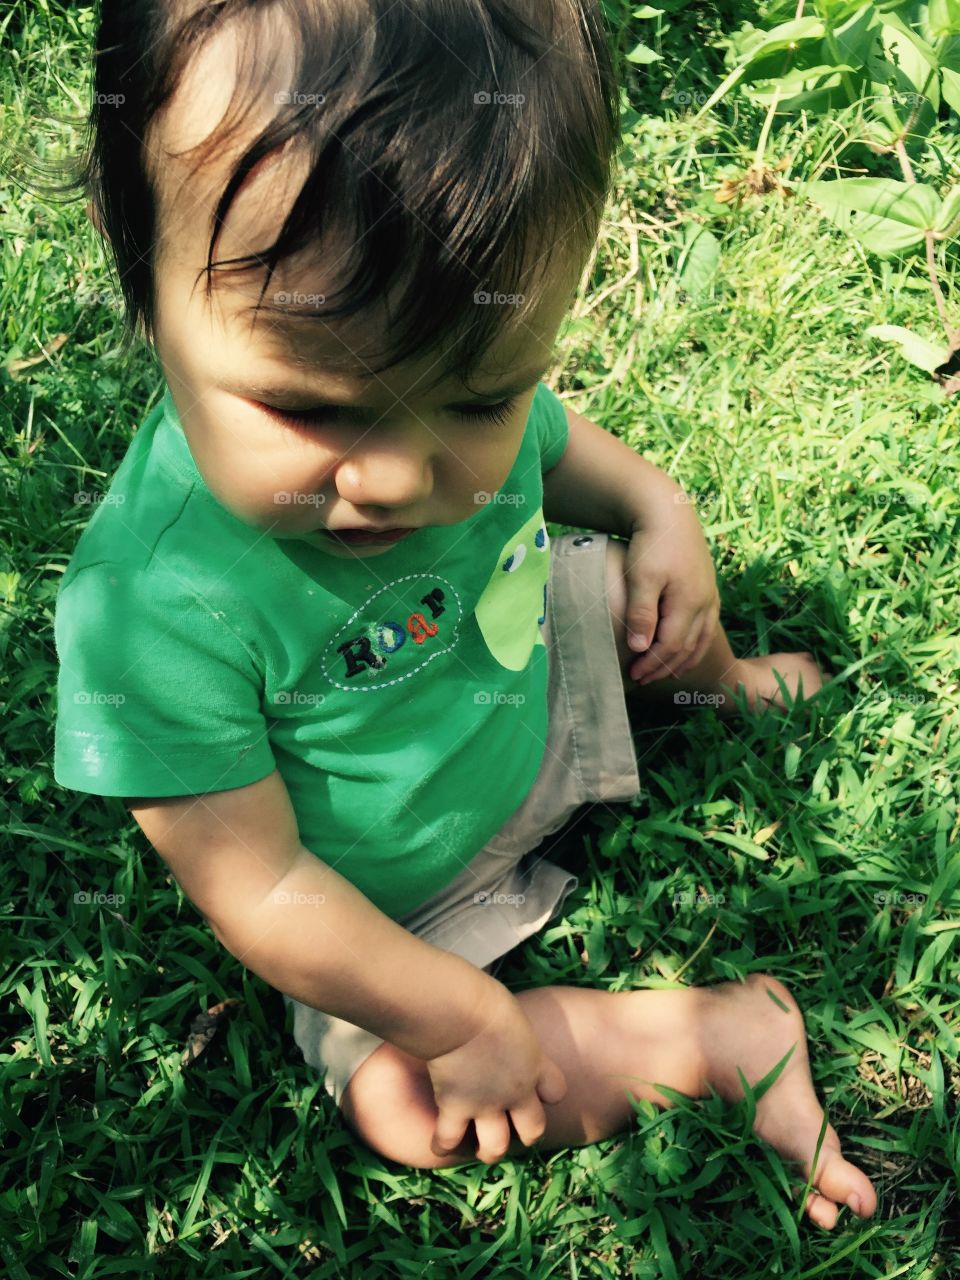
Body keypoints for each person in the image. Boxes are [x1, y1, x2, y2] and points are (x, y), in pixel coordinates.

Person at [52, 0, 876, 1230]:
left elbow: (560, 447)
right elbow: (265, 886)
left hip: (525, 672)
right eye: (313, 410)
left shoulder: (454, 405)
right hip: (389, 907)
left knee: (635, 597)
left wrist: (664, 511)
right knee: (404, 1101)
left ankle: (716, 684)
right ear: (144, 292)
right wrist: (453, 1009)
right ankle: (708, 1033)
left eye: (476, 397)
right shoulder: (149, 613)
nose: (395, 476)